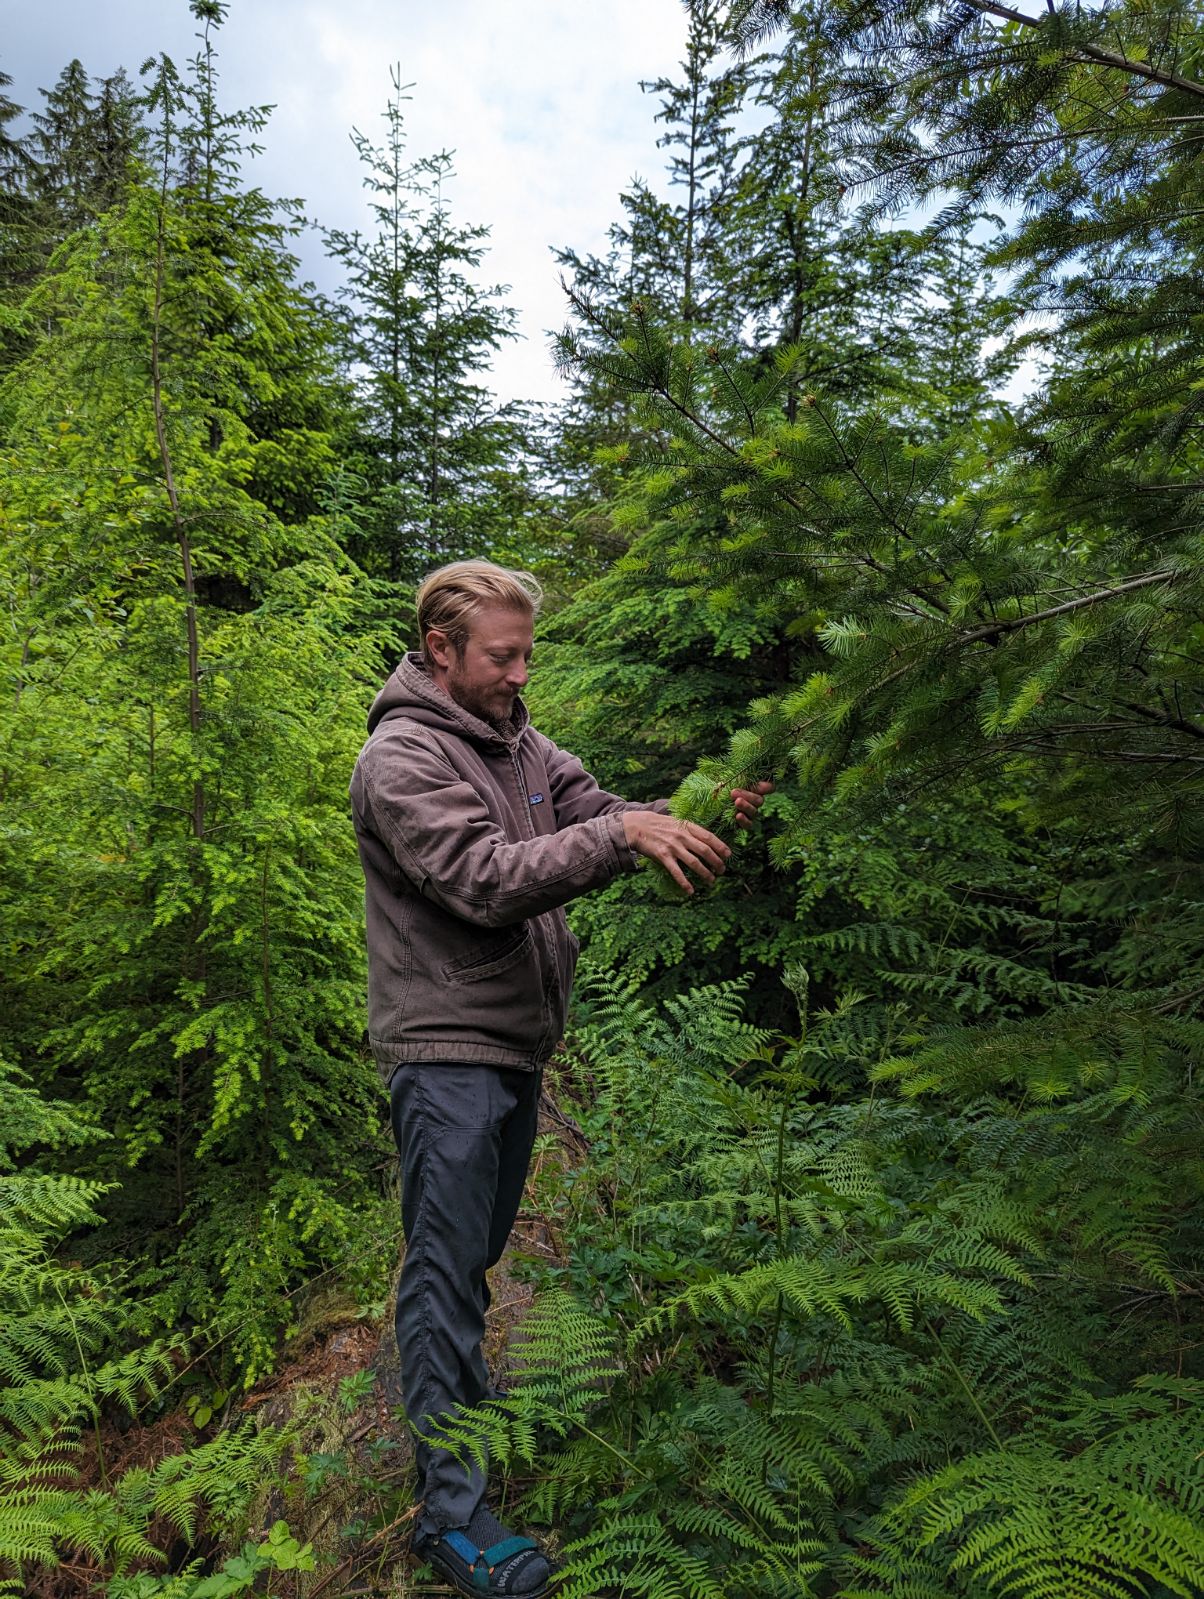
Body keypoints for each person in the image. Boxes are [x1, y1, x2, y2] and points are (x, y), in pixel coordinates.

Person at [349, 559, 772, 1598]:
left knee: (472, 1259)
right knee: (444, 1274)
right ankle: (450, 1517)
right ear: (441, 650)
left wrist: (690, 809)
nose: (520, 671)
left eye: (528, 650)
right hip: (444, 1048)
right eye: (504, 654)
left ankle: (462, 1402)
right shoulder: (400, 759)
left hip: (511, 1046)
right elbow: (486, 879)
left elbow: (601, 809)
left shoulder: (522, 744)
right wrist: (622, 833)